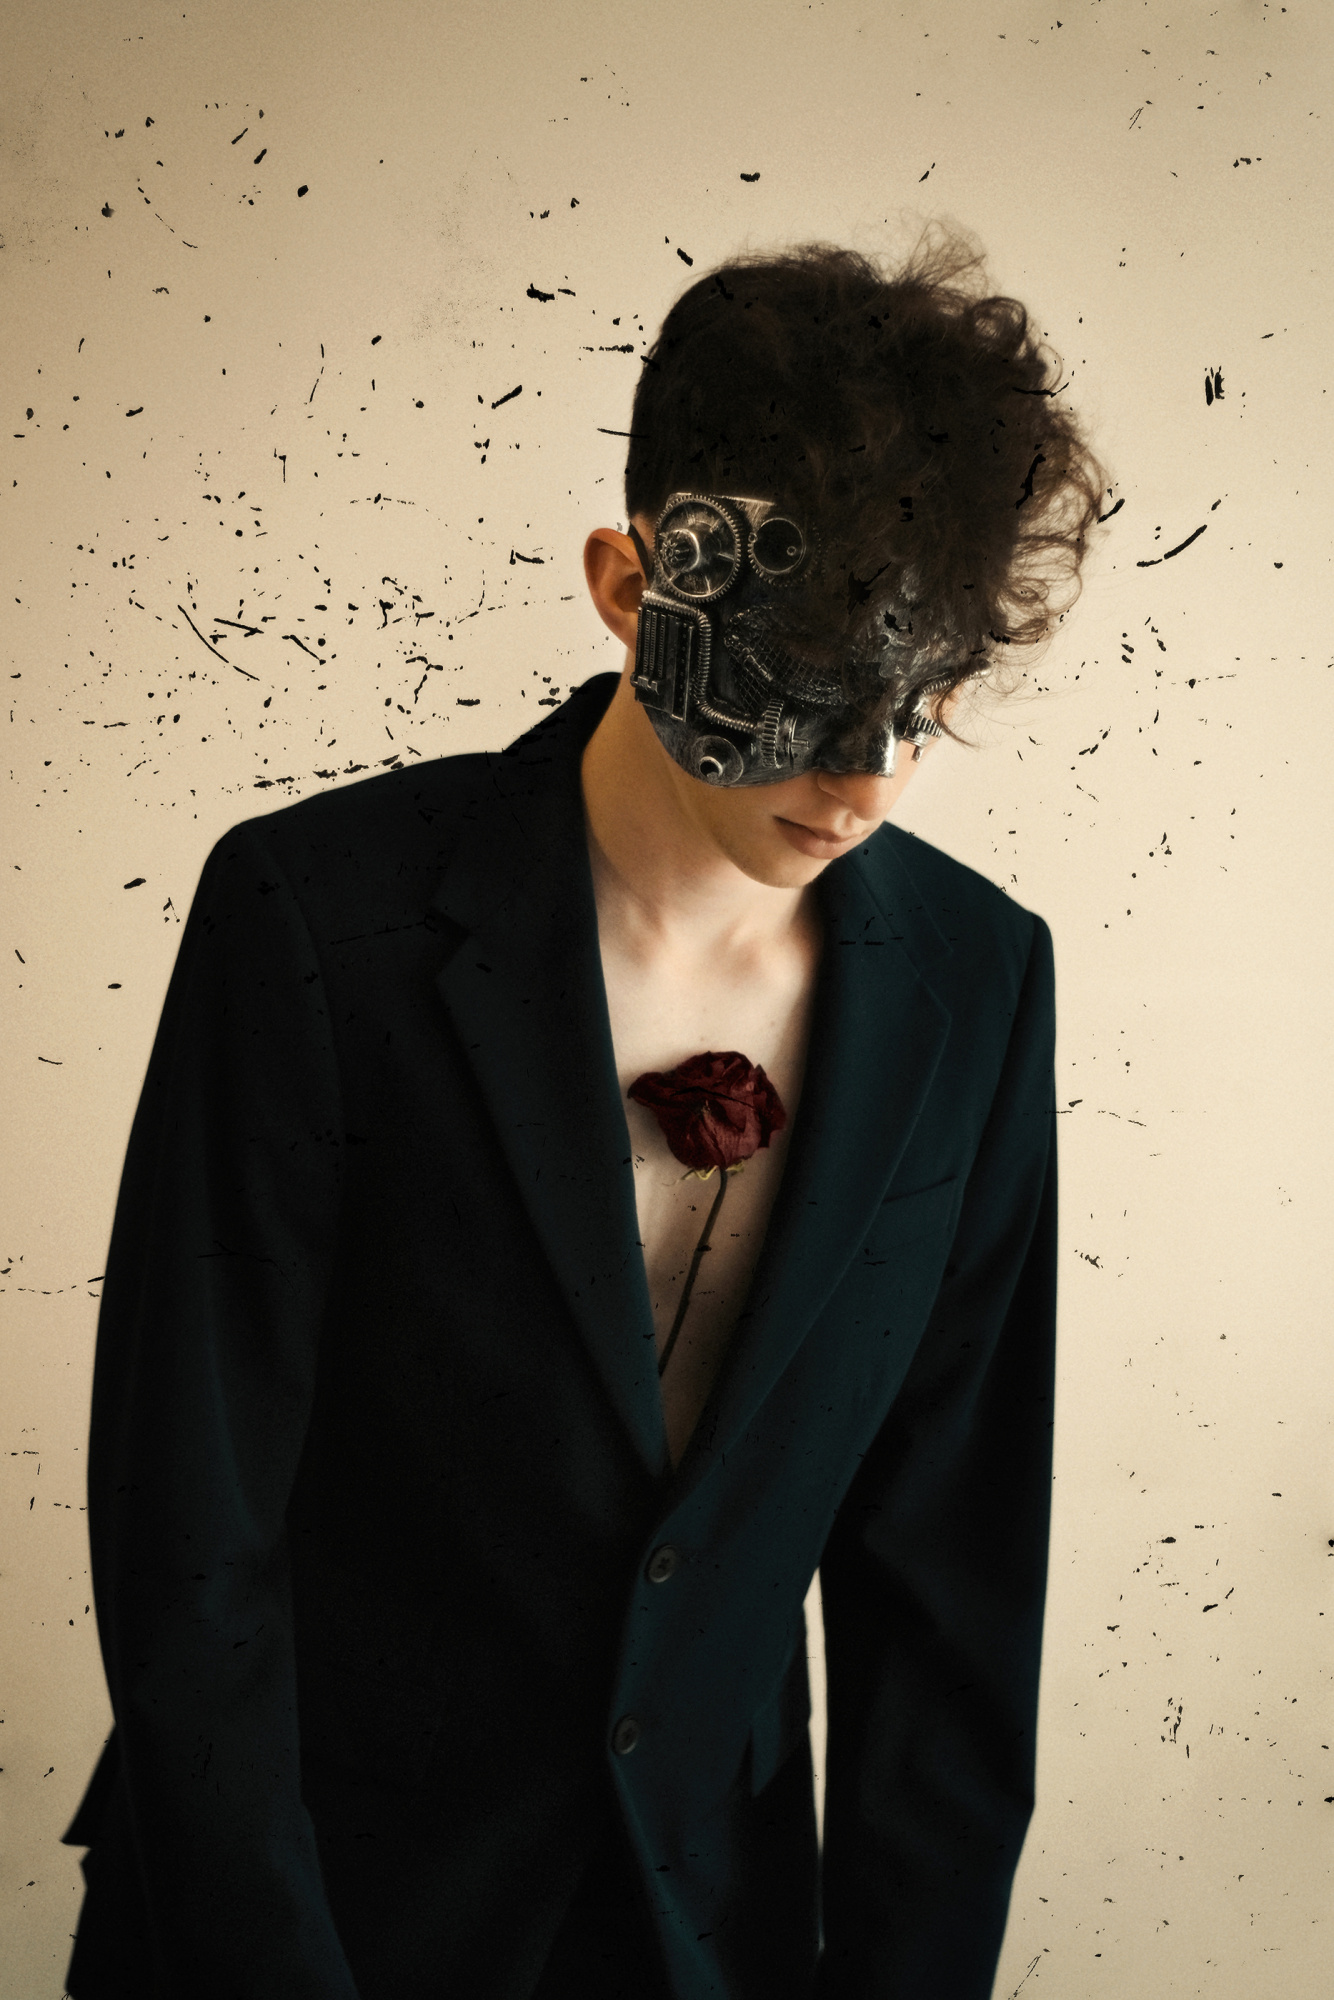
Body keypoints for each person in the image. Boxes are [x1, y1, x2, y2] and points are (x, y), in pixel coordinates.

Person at [60, 230, 1105, 2000]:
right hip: (300, 1914)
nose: (867, 778)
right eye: (811, 684)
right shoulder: (315, 920)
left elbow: (953, 1586)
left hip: (705, 1935)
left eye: (924, 699)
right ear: (631, 585)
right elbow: (191, 1529)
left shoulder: (975, 983)